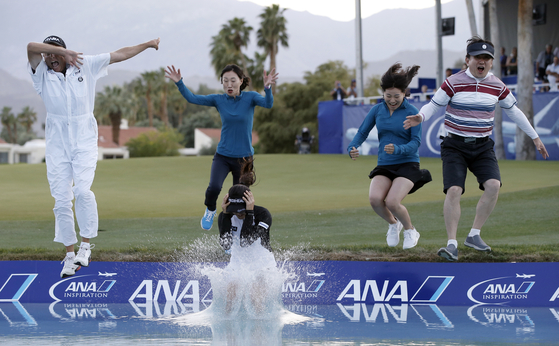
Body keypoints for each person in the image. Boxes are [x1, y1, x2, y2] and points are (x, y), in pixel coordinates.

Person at [404, 36, 549, 262]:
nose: (482, 62)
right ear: (467, 60)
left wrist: (535, 137)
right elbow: (434, 104)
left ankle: (474, 234)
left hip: (482, 146)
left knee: (493, 185)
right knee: (454, 190)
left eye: (487, 58)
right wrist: (420, 116)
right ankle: (451, 244)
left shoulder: (498, 85)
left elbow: (515, 112)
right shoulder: (453, 82)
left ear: (491, 62)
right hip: (454, 145)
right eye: (477, 57)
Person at [27, 35, 160, 278]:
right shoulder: (41, 73)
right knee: (60, 201)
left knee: (82, 191)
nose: (49, 58)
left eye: (55, 54)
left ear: (66, 54)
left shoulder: (85, 64)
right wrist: (56, 52)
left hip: (85, 139)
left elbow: (119, 54)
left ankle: (85, 247)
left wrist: (148, 44)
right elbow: (31, 48)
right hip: (57, 144)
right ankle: (69, 256)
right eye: (47, 54)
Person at [165, 64, 278, 231]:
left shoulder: (251, 98)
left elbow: (268, 104)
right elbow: (192, 98)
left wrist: (267, 87)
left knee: (238, 201)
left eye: (233, 80)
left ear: (241, 81)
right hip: (223, 156)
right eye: (225, 81)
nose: (229, 85)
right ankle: (210, 209)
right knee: (214, 188)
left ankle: (232, 235)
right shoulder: (218, 100)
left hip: (244, 159)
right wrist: (179, 82)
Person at [347, 63, 432, 250]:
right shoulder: (377, 110)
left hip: (407, 164)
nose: (392, 100)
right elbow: (362, 132)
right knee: (375, 200)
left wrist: (399, 149)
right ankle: (394, 224)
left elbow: (416, 142)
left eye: (396, 96)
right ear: (383, 93)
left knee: (393, 201)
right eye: (388, 96)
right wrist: (352, 147)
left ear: (404, 93)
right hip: (385, 164)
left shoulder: (412, 113)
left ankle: (410, 230)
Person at [217, 157, 272, 254]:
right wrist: (225, 215)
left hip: (263, 264)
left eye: (241, 210)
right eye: (235, 210)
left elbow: (246, 242)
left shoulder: (263, 215)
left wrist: (249, 213)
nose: (238, 213)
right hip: (237, 264)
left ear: (249, 203)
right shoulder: (224, 216)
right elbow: (226, 245)